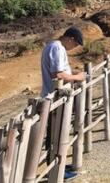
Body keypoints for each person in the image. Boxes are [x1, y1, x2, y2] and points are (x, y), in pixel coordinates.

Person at [41, 26, 87, 181]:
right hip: (54, 98)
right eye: (74, 45)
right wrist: (78, 78)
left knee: (56, 134)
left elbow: (60, 71)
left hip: (54, 97)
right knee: (55, 136)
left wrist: (73, 73)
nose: (73, 48)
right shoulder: (57, 48)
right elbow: (58, 74)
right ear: (70, 39)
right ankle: (54, 171)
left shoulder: (54, 46)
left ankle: (57, 166)